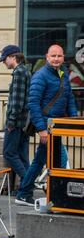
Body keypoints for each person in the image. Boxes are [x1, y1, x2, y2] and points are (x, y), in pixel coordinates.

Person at [15, 44, 78, 206]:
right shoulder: (40, 75)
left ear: (63, 57)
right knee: (61, 161)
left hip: (57, 125)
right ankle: (60, 196)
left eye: (59, 56)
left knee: (39, 161)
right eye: (53, 56)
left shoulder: (63, 74)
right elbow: (33, 104)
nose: (56, 59)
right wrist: (42, 129)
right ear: (47, 57)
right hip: (47, 127)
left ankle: (23, 193)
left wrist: (74, 118)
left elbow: (69, 97)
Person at [0, 45, 31, 193]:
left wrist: (10, 122)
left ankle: (27, 182)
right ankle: (28, 186)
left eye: (4, 59)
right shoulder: (25, 71)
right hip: (24, 122)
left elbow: (17, 102)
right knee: (22, 156)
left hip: (16, 123)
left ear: (12, 57)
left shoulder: (18, 73)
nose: (4, 62)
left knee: (9, 153)